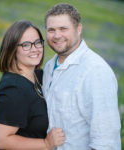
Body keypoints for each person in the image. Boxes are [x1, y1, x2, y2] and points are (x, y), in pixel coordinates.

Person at [43, 3, 121, 150]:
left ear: (78, 29)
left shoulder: (95, 71)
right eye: (51, 30)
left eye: (63, 29)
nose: (57, 35)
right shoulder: (48, 67)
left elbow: (105, 141)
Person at [0, 20, 65, 150]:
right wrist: (46, 144)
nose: (35, 49)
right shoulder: (13, 89)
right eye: (26, 45)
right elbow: (0, 141)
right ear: (12, 49)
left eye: (37, 42)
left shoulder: (38, 76)